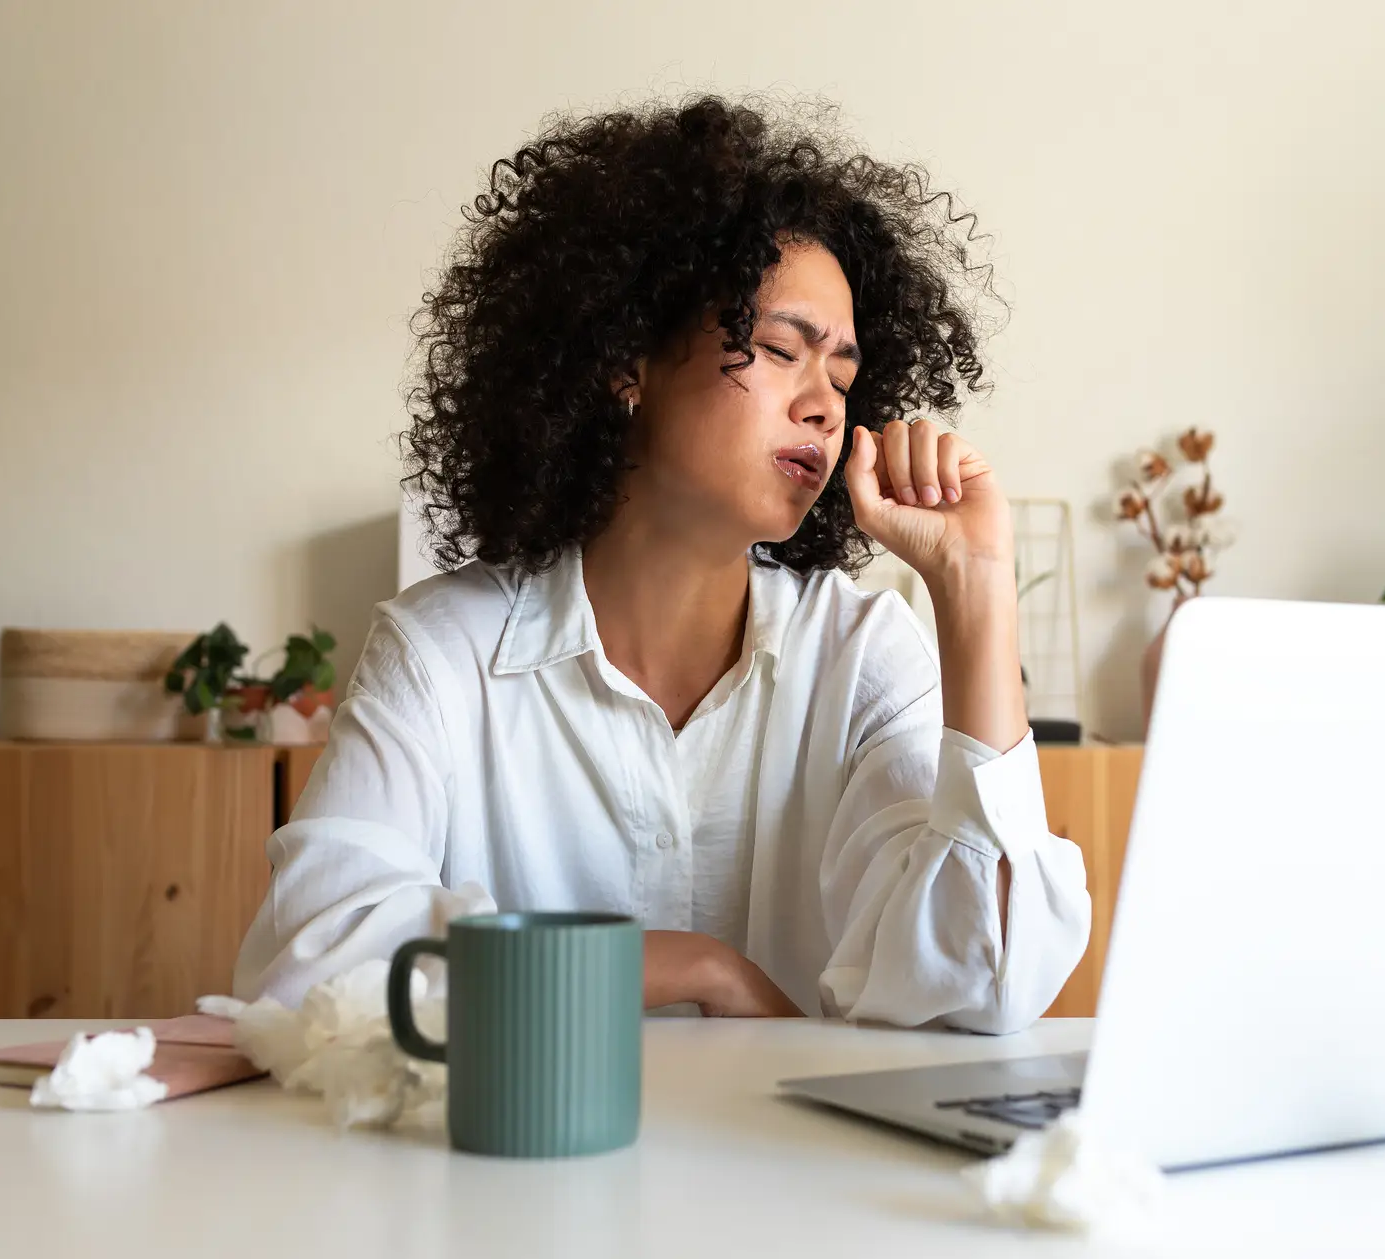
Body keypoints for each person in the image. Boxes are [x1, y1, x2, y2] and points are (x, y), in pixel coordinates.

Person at [233, 96, 1090, 1032]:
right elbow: (305, 971)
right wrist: (693, 969)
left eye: (842, 379)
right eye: (776, 351)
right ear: (624, 361)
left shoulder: (859, 653)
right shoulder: (442, 652)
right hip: (511, 1176)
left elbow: (985, 990)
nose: (823, 407)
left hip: (788, 1175)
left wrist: (973, 592)